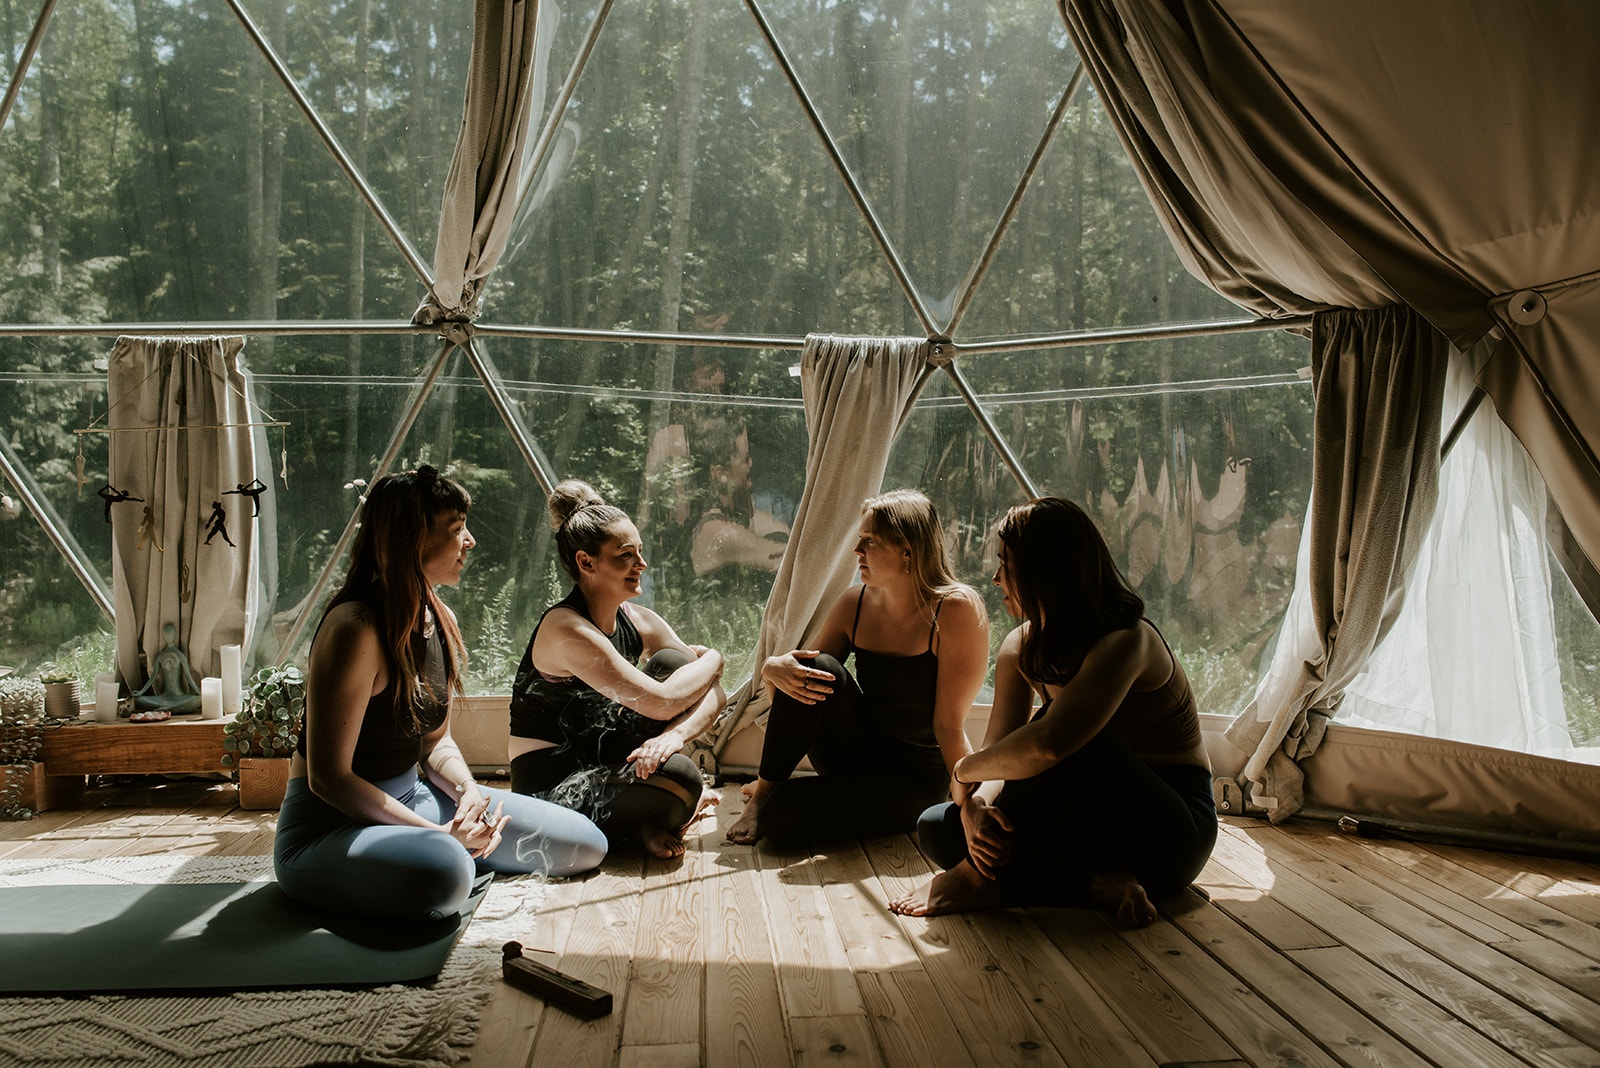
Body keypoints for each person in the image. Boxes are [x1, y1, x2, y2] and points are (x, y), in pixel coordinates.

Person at [274, 466, 607, 921]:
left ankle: (442, 850)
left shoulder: (438, 617)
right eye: (456, 529)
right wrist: (439, 834)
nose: (469, 540)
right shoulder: (354, 629)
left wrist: (469, 792)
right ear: (411, 540)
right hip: (331, 829)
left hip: (416, 801)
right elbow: (328, 779)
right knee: (448, 871)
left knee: (584, 844)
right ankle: (440, 854)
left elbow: (435, 742)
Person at [889, 497, 1216, 927]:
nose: (994, 578)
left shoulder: (1128, 641)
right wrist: (975, 808)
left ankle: (978, 878)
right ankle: (1098, 887)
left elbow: (1048, 745)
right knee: (939, 825)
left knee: (1058, 729)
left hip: (1168, 831)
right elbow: (999, 757)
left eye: (1005, 563)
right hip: (1092, 826)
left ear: (1046, 570)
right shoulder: (1020, 647)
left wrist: (963, 773)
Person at [725, 489, 990, 846]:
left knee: (783, 820)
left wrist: (972, 801)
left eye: (869, 541)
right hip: (857, 754)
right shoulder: (856, 602)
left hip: (913, 777)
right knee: (814, 665)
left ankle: (777, 800)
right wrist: (773, 667)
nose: (857, 551)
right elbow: (797, 692)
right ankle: (759, 799)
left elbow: (948, 726)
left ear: (906, 550)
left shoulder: (955, 609)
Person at [508, 479, 726, 860]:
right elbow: (664, 702)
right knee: (683, 782)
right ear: (586, 562)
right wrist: (716, 659)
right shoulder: (566, 629)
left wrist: (676, 737)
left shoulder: (636, 619)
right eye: (626, 555)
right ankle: (640, 822)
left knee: (677, 664)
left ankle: (636, 822)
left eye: (640, 552)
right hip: (552, 784)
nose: (641, 564)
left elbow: (711, 691)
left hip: (602, 760)